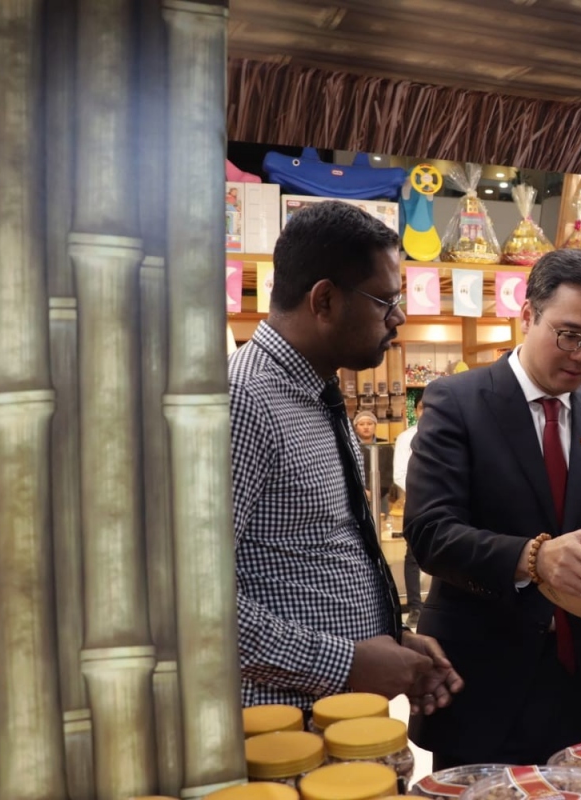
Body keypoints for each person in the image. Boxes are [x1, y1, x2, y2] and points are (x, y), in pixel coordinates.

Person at [404, 249, 581, 768]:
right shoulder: (457, 401)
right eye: (568, 335)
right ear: (527, 316)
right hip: (482, 673)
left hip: (579, 678)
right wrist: (532, 558)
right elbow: (431, 531)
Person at [229, 200, 462, 717]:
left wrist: (388, 637)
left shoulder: (316, 392)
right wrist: (346, 662)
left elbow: (311, 556)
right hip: (285, 727)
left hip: (342, 713)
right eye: (385, 300)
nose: (399, 317)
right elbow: (190, 604)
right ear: (325, 300)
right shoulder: (244, 401)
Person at [393, 398, 425, 628]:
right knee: (413, 555)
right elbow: (400, 472)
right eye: (424, 407)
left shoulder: (453, 428)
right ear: (416, 411)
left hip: (453, 503)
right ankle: (415, 606)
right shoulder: (406, 437)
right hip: (418, 501)